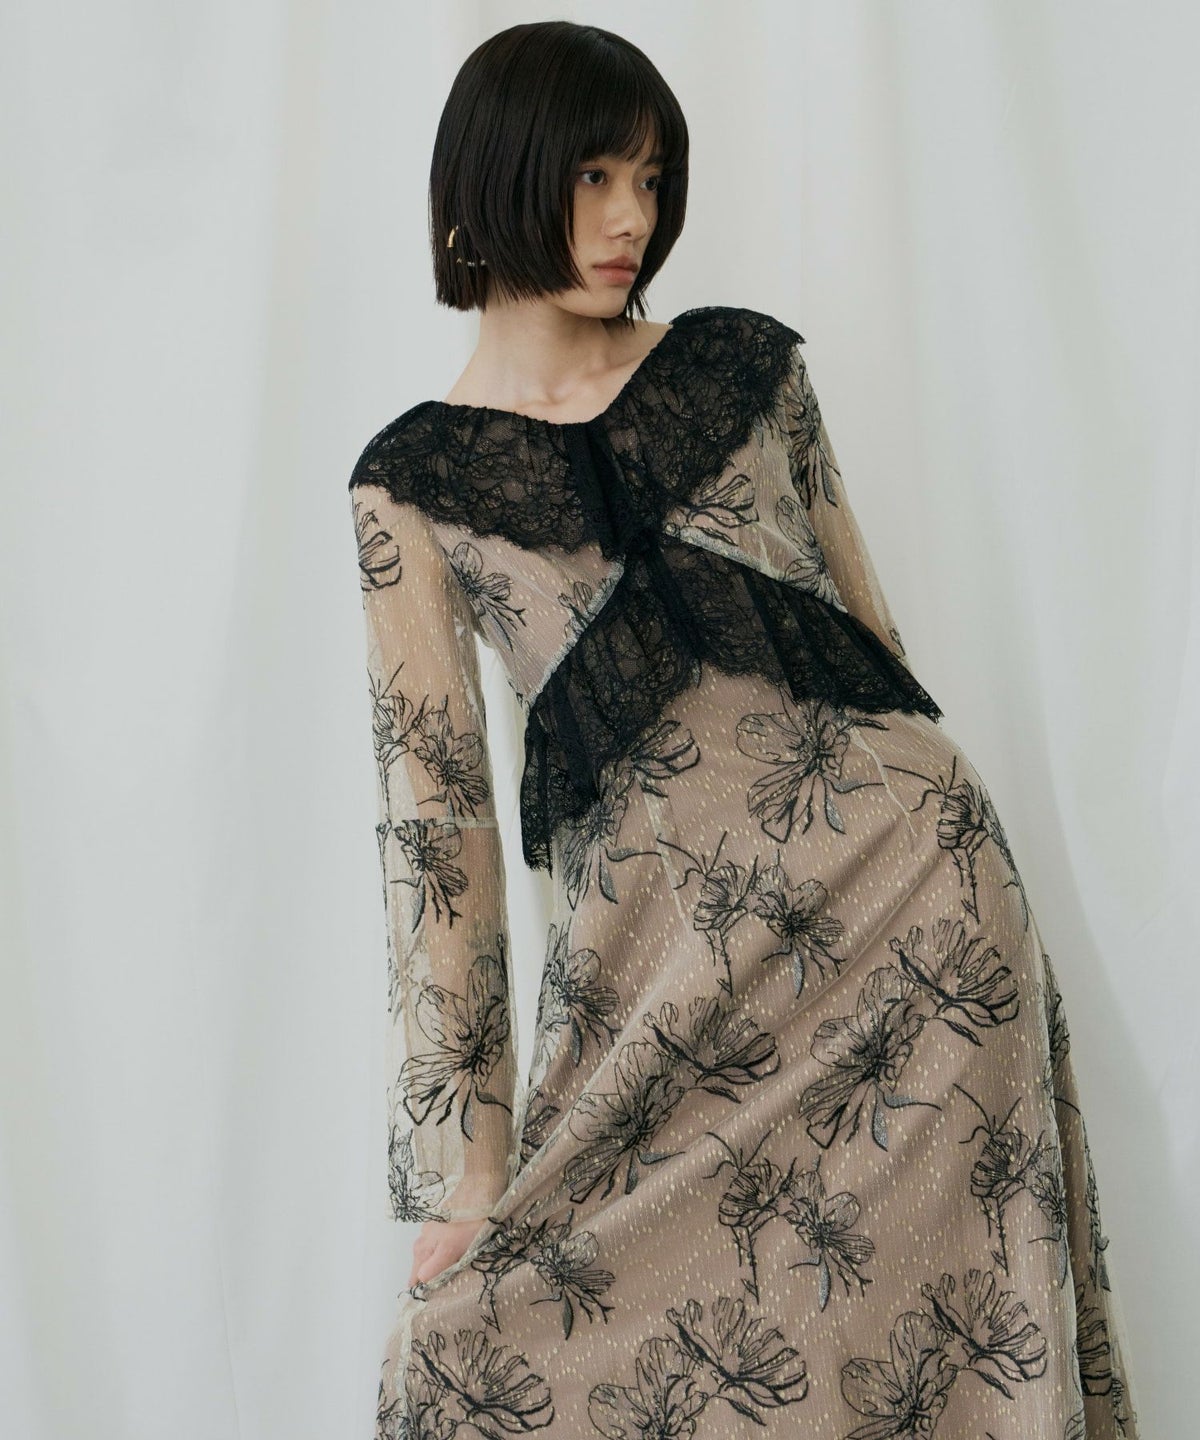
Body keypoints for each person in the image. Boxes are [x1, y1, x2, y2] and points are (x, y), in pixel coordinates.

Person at [347, 20, 1140, 1439]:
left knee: (931, 1336)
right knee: (459, 1368)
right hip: (658, 985)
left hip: (916, 913)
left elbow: (870, 635)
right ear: (495, 178)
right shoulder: (410, 484)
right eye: (594, 178)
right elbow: (435, 832)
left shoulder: (746, 370)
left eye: (651, 180)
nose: (631, 220)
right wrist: (472, 1169)